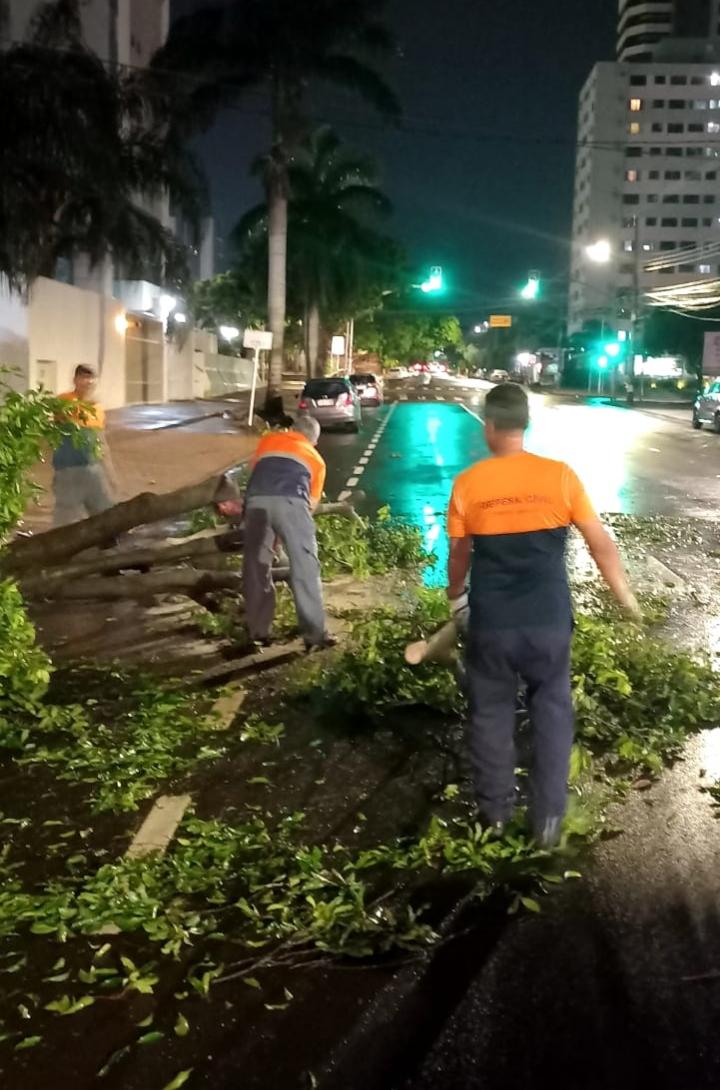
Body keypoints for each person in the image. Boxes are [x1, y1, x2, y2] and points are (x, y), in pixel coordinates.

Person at [446, 383, 640, 848]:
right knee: (553, 713)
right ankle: (548, 820)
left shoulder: (469, 483)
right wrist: (627, 599)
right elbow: (601, 544)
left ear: (490, 427)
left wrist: (454, 597)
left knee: (491, 715)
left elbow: (458, 555)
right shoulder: (561, 477)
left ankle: (494, 814)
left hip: (493, 625)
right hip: (549, 624)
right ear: (525, 424)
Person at [242, 414, 335, 651]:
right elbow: (310, 506)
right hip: (292, 502)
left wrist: (272, 532)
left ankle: (258, 633)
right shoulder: (316, 459)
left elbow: (253, 471)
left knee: (256, 567)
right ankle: (315, 636)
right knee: (305, 567)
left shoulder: (269, 441)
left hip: (255, 502)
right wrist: (286, 531)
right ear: (313, 440)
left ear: (291, 430)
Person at [53, 365, 116, 528]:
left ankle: (107, 544)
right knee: (66, 517)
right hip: (68, 469)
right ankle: (60, 548)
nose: (87, 382)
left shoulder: (97, 409)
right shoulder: (64, 402)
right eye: (83, 377)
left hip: (93, 467)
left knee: (104, 510)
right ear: (75, 380)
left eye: (91, 378)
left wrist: (110, 473)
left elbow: (101, 441)